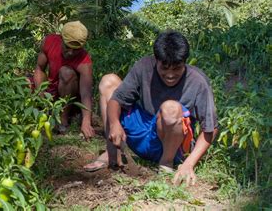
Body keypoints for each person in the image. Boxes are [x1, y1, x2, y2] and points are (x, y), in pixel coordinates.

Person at [84, 31, 218, 186]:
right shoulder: (144, 66)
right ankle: (113, 153)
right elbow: (116, 99)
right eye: (165, 68)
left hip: (173, 145)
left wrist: (189, 163)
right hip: (142, 132)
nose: (170, 74)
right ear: (156, 60)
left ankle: (166, 164)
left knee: (171, 108)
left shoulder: (198, 81)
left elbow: (211, 128)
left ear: (185, 63)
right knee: (109, 81)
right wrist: (114, 124)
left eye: (176, 69)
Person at [33, 21, 95, 139]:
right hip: (50, 91)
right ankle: (43, 111)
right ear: (61, 39)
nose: (71, 53)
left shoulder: (85, 61)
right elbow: (39, 69)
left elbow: (86, 94)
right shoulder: (50, 41)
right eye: (67, 47)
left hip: (68, 96)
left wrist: (86, 122)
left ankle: (63, 119)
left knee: (66, 72)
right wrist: (40, 96)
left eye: (76, 49)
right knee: (25, 82)